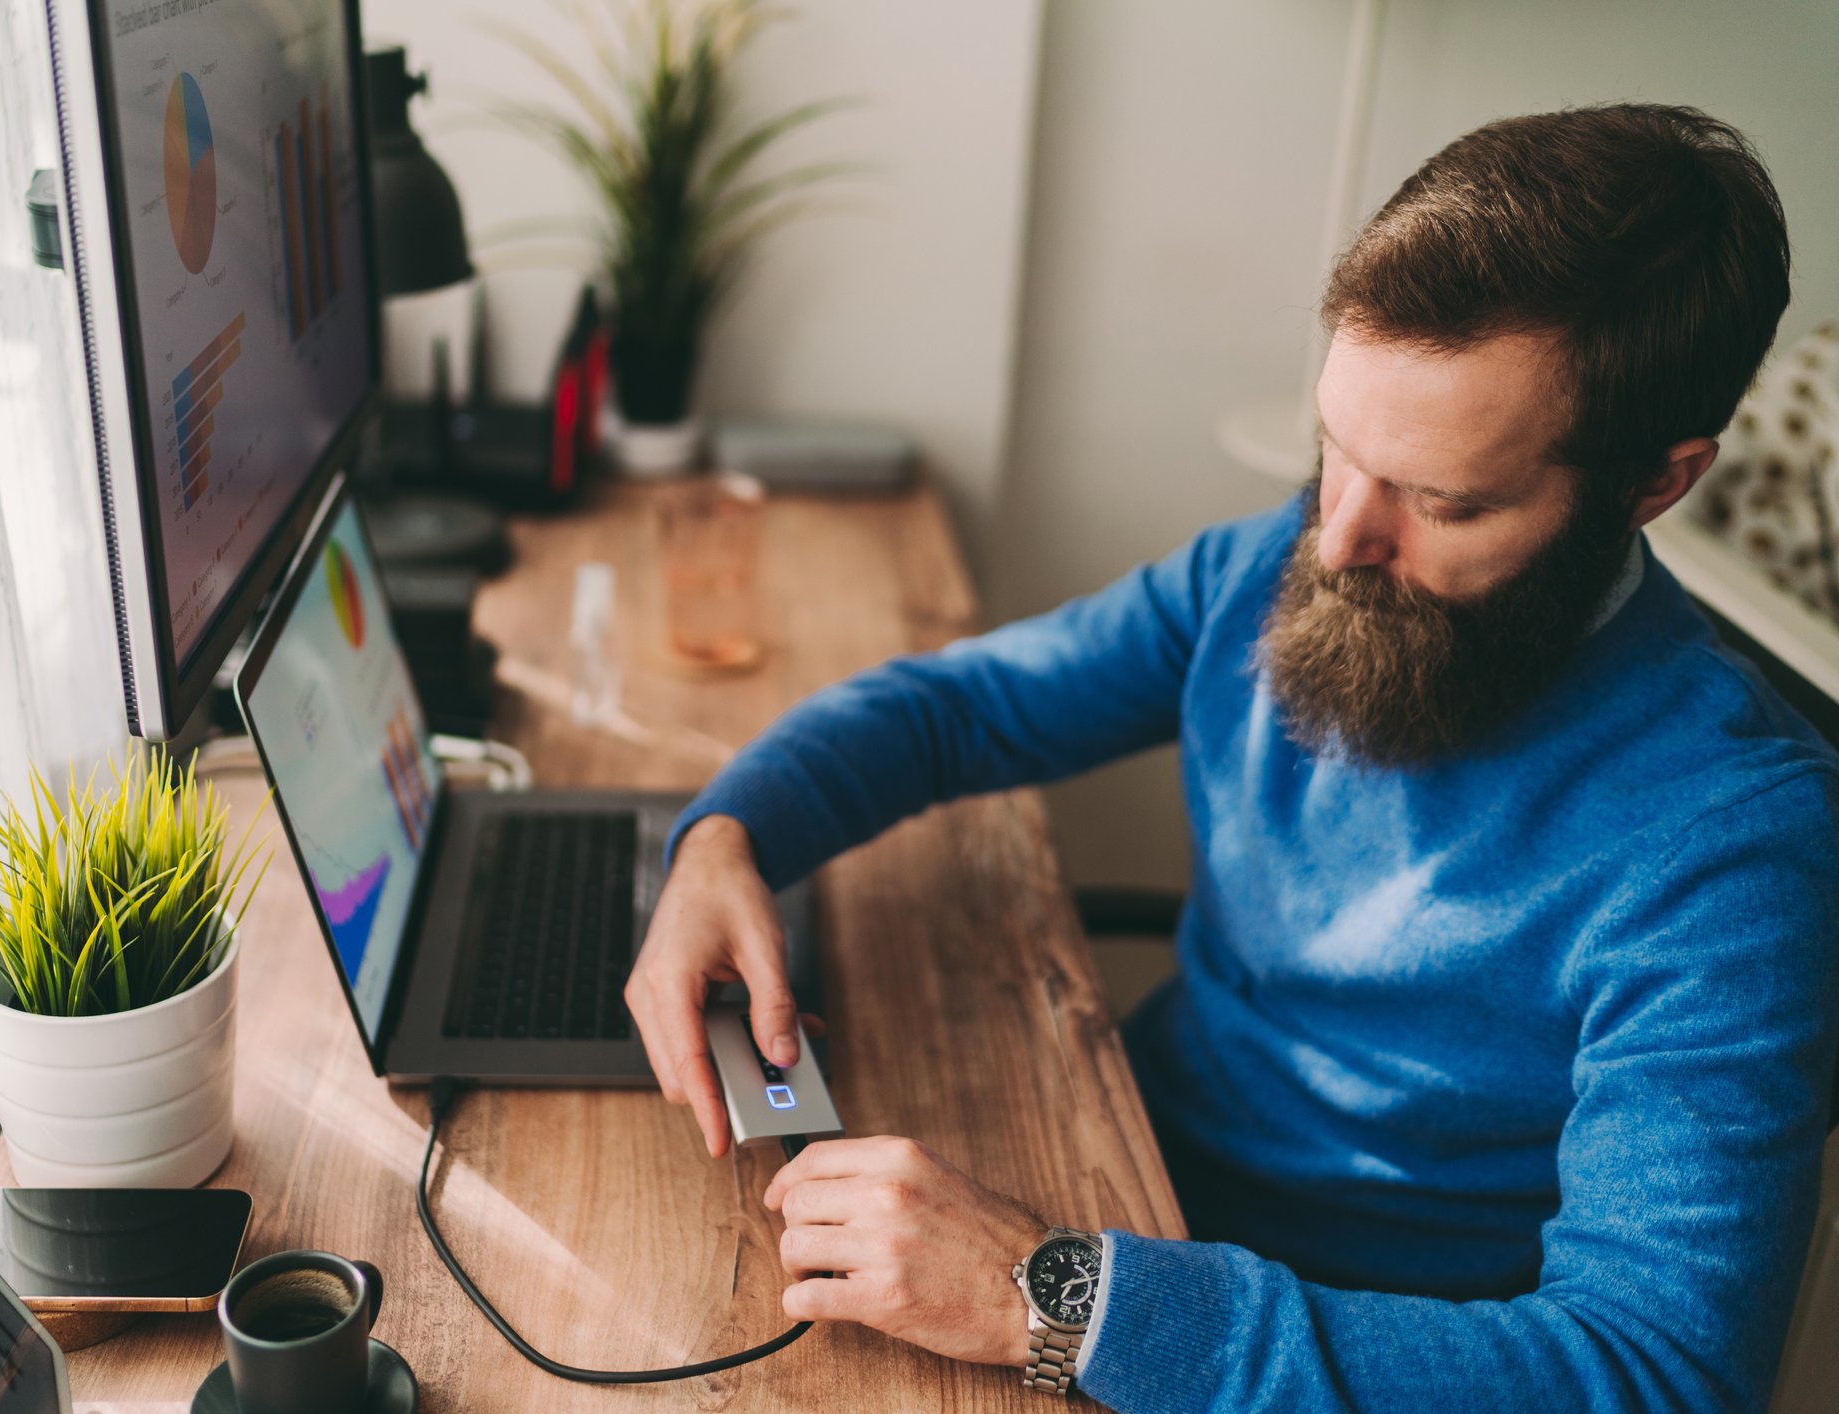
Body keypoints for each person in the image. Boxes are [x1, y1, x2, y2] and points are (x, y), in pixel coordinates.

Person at [623, 103, 1839, 1412]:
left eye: (1444, 501)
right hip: (1113, 1177)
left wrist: (1057, 1295)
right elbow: (966, 704)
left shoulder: (1736, 847)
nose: (1339, 542)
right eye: (1339, 450)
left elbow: (1656, 1374)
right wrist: (726, 835)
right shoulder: (1280, 559)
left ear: (1655, 483)